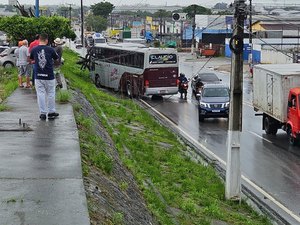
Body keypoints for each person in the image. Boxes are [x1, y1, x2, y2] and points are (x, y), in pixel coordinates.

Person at [30, 33, 59, 120]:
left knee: (40, 94)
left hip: (38, 75)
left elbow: (31, 59)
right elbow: (56, 59)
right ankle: (51, 112)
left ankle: (42, 113)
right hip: (49, 75)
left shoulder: (34, 49)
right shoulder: (51, 49)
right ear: (46, 40)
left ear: (39, 40)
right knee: (51, 93)